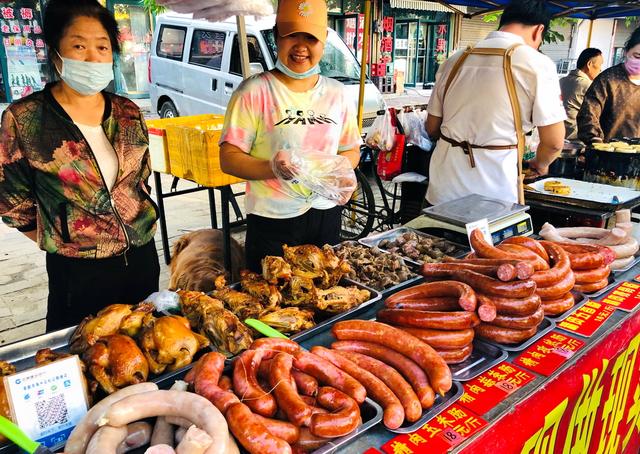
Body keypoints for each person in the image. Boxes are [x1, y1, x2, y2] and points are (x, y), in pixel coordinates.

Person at [0, 0, 160, 331]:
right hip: (78, 273)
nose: (92, 57)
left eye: (102, 47)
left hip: (142, 259)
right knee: (84, 359)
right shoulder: (25, 119)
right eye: (78, 45)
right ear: (56, 52)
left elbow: (141, 179)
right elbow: (13, 204)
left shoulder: (127, 112)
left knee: (148, 354)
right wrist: (68, 238)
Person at [219, 0, 361, 272]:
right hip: (272, 219)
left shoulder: (336, 93)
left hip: (326, 213)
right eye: (291, 35)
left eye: (310, 37)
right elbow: (229, 158)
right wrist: (273, 167)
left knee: (326, 296)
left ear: (324, 41)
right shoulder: (254, 91)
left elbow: (350, 149)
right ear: (276, 36)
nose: (300, 46)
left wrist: (336, 173)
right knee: (269, 305)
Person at [425, 0, 566, 206]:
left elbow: (432, 127)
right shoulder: (537, 64)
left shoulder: (454, 60)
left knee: (432, 237)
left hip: (443, 188)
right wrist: (541, 163)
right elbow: (554, 143)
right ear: (539, 31)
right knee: (484, 239)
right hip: (493, 194)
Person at [577, 26, 640, 144]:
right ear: (626, 52)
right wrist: (595, 141)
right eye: (637, 56)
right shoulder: (608, 80)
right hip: (608, 155)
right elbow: (588, 115)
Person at [560, 48, 603, 140]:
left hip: (557, 132)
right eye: (600, 65)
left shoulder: (562, 81)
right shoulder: (588, 85)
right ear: (589, 64)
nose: (600, 70)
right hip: (575, 137)